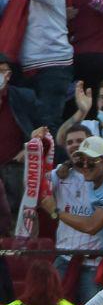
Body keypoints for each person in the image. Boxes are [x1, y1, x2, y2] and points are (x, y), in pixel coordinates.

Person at [39, 136, 103, 259]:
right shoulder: (102, 172)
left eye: (91, 161)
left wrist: (55, 212)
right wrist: (67, 164)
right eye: (81, 161)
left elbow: (91, 226)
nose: (85, 167)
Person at [0, 0, 73, 136]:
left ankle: (51, 159)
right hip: (26, 68)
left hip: (53, 67)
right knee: (26, 123)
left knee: (47, 123)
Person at [49, 124, 103, 303]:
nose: (74, 145)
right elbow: (33, 187)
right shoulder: (59, 174)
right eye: (70, 142)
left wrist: (56, 212)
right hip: (64, 257)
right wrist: (38, 145)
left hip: (94, 262)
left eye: (80, 141)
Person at [0, 53, 42, 216]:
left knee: (17, 217)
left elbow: (43, 128)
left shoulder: (23, 97)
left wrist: (29, 148)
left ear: (8, 75)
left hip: (15, 168)